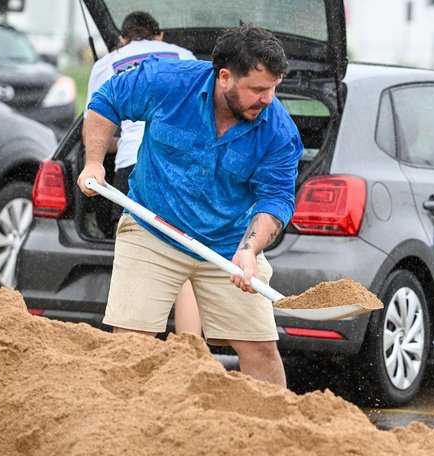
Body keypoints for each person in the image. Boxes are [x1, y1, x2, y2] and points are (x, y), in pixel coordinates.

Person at [78, 24, 303, 387]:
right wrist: (94, 162)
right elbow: (107, 99)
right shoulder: (168, 82)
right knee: (130, 344)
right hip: (153, 227)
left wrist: (248, 251)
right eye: (257, 89)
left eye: (273, 90)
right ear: (225, 78)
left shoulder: (277, 130)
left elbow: (276, 199)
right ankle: (121, 429)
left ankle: (271, 432)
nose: (267, 99)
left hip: (229, 243)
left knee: (261, 349)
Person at [84, 11, 201, 337]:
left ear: (122, 39)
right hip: (178, 164)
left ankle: (135, 342)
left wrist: (110, 149)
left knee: (141, 255)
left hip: (132, 167)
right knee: (184, 252)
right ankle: (190, 347)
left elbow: (97, 122)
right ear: (159, 36)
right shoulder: (184, 56)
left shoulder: (108, 64)